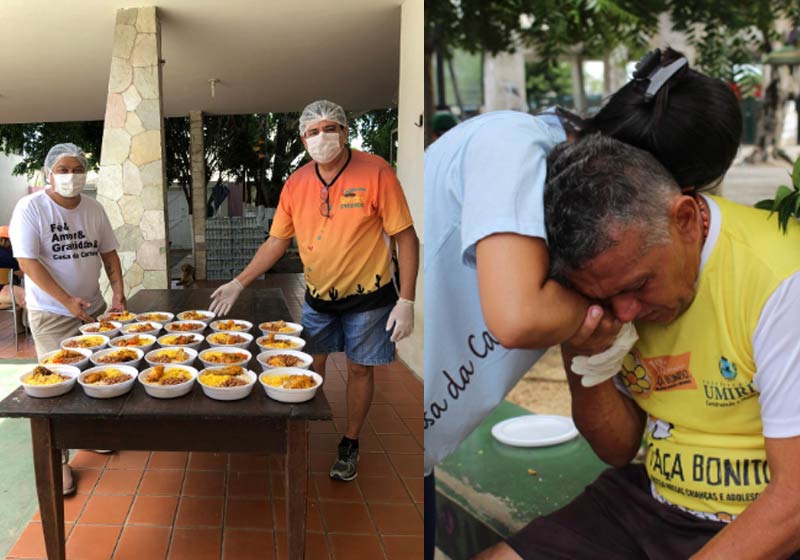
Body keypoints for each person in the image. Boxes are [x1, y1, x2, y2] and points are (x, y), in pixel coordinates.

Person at [423, 48, 743, 560]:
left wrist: (600, 322)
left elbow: (614, 444)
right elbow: (518, 316)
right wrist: (607, 314)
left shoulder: (597, 261)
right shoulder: (511, 144)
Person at [478, 134, 800, 559]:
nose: (626, 312)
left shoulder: (781, 279)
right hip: (653, 501)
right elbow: (617, 448)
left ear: (685, 219)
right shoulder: (616, 284)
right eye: (606, 296)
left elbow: (792, 501)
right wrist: (587, 352)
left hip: (759, 519)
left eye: (639, 285)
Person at [209, 100, 419, 481]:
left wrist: (407, 299)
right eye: (313, 131)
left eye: (330, 128)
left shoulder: (377, 172)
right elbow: (276, 242)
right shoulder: (297, 183)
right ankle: (300, 434)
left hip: (370, 299)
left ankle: (350, 442)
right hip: (318, 298)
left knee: (358, 369)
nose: (322, 137)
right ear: (303, 139)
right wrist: (239, 281)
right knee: (308, 362)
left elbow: (406, 237)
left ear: (344, 131)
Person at [9, 142, 127, 495]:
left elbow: (109, 254)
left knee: (96, 375)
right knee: (54, 387)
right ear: (49, 173)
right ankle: (59, 462)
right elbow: (27, 262)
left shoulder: (94, 209)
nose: (70, 176)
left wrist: (118, 293)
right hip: (52, 313)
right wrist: (66, 300)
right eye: (62, 169)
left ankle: (88, 435)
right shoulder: (31, 208)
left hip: (93, 310)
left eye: (77, 169)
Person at [0, 225, 26, 313]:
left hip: (5, 291)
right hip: (3, 292)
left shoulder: (7, 252)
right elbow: (22, 274)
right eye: (11, 240)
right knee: (29, 298)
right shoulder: (5, 254)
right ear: (2, 240)